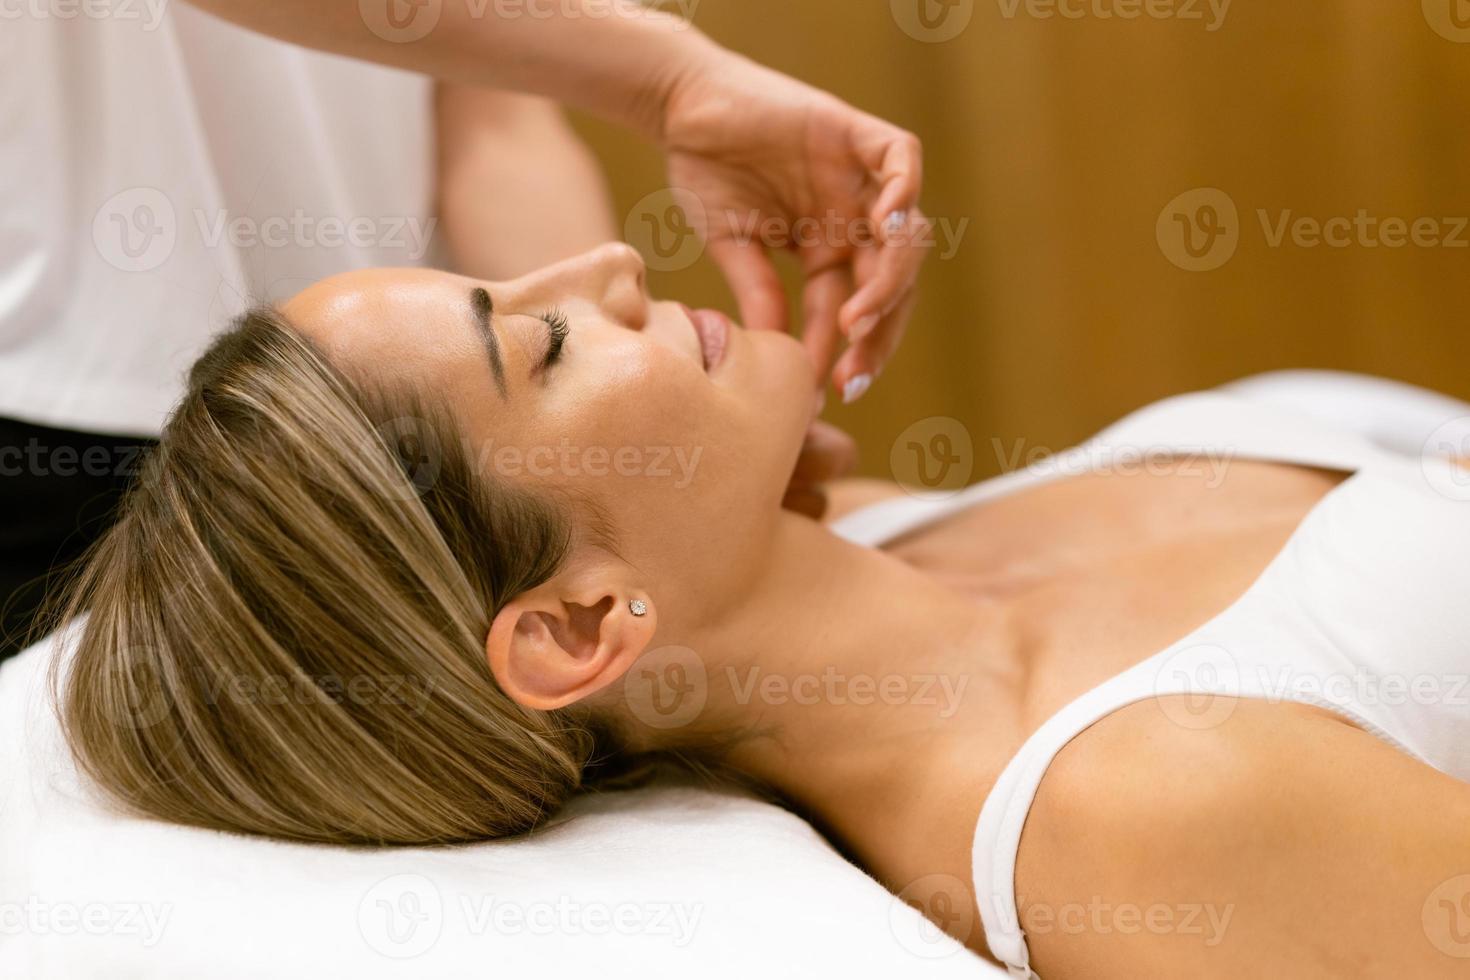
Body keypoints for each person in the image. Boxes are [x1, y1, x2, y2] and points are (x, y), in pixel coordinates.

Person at [52, 247, 1470, 977]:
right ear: (575, 625)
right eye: (542, 343)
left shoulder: (870, 535)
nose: (607, 267)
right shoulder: (1145, 805)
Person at [0, 0, 925, 656]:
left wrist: (640, 429)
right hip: (56, 428)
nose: (630, 271)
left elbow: (498, 122)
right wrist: (667, 79)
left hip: (435, 456)